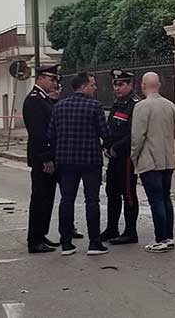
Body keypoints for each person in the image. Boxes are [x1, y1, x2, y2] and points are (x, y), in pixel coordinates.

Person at [49, 72, 111, 256]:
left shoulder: (59, 106)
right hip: (90, 160)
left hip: (66, 160)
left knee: (66, 200)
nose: (95, 88)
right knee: (92, 200)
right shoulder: (95, 106)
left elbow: (51, 134)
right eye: (92, 85)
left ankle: (66, 243)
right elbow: (105, 133)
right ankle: (94, 243)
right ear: (83, 87)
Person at [131, 72, 175, 253]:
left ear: (143, 86)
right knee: (166, 198)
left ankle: (161, 239)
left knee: (156, 200)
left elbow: (137, 137)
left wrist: (134, 157)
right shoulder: (170, 105)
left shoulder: (141, 107)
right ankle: (169, 237)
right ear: (159, 85)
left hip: (149, 160)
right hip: (167, 160)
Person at [23, 65, 62, 254]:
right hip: (42, 158)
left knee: (47, 199)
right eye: (51, 79)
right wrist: (46, 158)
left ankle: (41, 234)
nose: (54, 83)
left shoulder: (44, 99)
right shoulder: (34, 100)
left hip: (49, 156)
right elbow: (38, 132)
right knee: (40, 199)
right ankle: (35, 239)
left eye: (55, 79)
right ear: (40, 78)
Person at [101, 69, 141, 245]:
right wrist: (106, 145)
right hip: (113, 157)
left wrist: (116, 147)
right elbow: (110, 128)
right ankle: (112, 228)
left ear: (131, 85)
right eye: (115, 84)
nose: (117, 88)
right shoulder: (118, 103)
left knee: (128, 194)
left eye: (121, 84)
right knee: (112, 192)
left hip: (126, 158)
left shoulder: (135, 105)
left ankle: (130, 231)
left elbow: (134, 133)